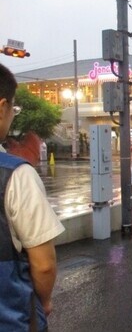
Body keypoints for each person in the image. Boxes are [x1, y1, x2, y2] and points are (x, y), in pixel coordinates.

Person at [0, 62, 65, 331]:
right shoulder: (15, 175)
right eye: (13, 110)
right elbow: (44, 264)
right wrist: (45, 302)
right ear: (1, 108)